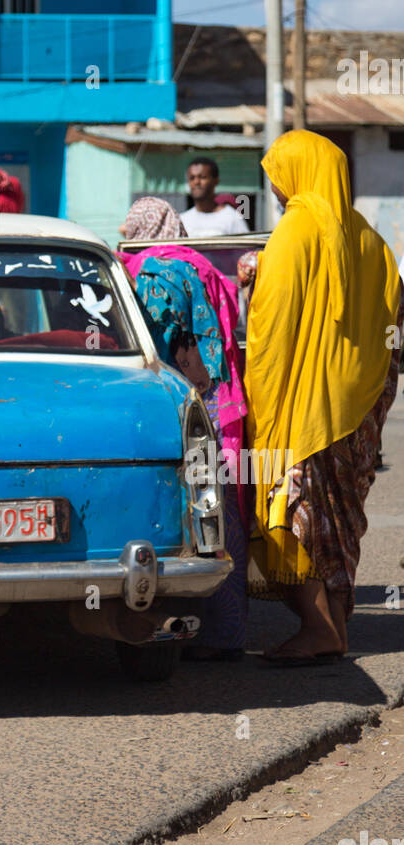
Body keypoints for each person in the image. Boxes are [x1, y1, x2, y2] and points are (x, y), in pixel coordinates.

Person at [244, 130, 403, 665]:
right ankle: (334, 626)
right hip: (357, 411)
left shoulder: (295, 232)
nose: (275, 189)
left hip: (304, 409)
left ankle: (318, 627)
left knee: (293, 513)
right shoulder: (371, 240)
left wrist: (259, 402)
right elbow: (393, 326)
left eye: (277, 177)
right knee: (338, 523)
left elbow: (272, 330)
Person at [119, 196, 248, 660]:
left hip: (182, 409)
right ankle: (227, 633)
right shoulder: (202, 265)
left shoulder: (154, 274)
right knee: (223, 517)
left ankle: (190, 632)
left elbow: (151, 346)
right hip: (224, 403)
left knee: (186, 516)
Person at [182, 157, 250, 237]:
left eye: (202, 177)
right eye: (192, 178)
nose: (196, 182)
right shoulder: (183, 220)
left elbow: (246, 245)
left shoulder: (232, 218)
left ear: (216, 180)